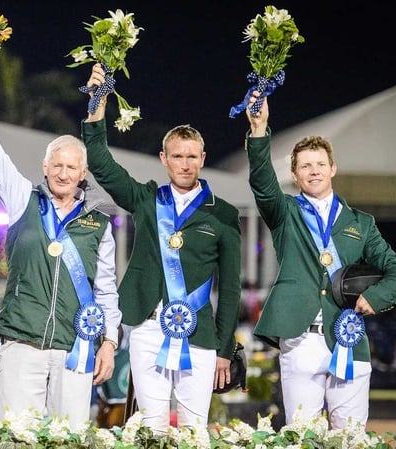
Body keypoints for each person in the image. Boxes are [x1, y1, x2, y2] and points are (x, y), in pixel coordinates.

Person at [0, 58, 122, 428]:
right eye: (57, 165)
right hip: (21, 344)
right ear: (45, 167)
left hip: (75, 348)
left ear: (83, 173)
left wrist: (109, 343)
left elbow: (106, 291)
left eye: (71, 167)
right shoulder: (22, 199)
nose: (63, 173)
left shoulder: (100, 225)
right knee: (16, 436)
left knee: (68, 439)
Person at [81, 63, 242, 433]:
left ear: (202, 159)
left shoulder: (223, 215)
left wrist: (224, 350)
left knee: (193, 430)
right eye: (177, 156)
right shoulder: (146, 199)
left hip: (199, 335)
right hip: (147, 330)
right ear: (163, 159)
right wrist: (97, 104)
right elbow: (101, 165)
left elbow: (231, 288)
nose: (185, 164)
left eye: (192, 156)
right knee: (151, 427)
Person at [244, 92, 396, 429]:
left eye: (320, 164)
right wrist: (259, 130)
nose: (314, 171)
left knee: (349, 437)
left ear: (333, 168)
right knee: (302, 435)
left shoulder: (361, 223)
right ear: (294, 174)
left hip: (348, 337)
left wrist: (375, 297)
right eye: (305, 166)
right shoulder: (285, 212)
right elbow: (262, 183)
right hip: (300, 340)